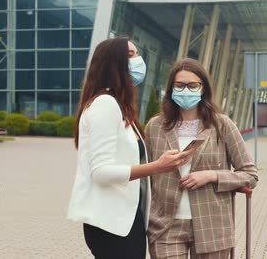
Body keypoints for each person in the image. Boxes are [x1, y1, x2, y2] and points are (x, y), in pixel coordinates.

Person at [67, 36, 195, 259]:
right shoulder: (105, 104)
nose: (138, 60)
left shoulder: (119, 106)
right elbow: (100, 172)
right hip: (112, 223)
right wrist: (157, 166)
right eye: (131, 55)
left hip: (123, 219)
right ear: (113, 62)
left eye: (137, 53)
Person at [145, 58, 258, 259]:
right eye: (179, 85)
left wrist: (212, 175)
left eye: (192, 85)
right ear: (171, 89)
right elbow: (146, 176)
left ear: (203, 88)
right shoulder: (154, 127)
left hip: (212, 227)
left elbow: (250, 174)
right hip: (166, 227)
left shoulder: (221, 125)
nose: (185, 90)